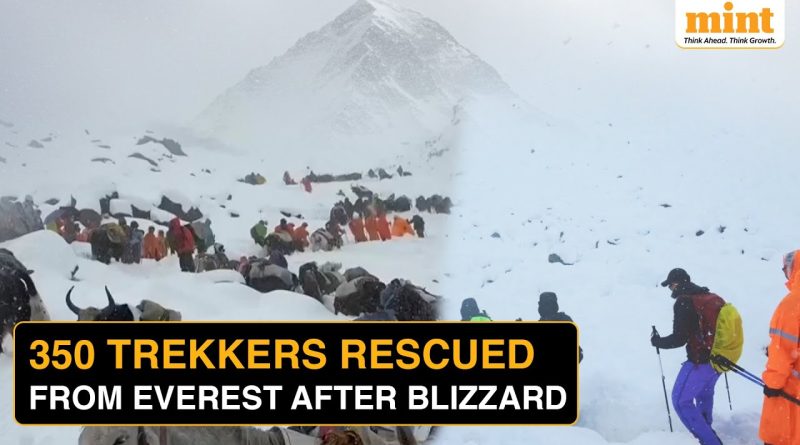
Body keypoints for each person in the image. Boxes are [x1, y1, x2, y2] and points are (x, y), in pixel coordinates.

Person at [651, 268, 722, 445]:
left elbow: (679, 338)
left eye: (670, 286)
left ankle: (710, 441)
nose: (671, 290)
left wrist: (658, 342)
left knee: (680, 400)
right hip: (719, 360)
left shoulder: (684, 301)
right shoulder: (707, 296)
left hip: (701, 361)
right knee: (705, 394)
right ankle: (707, 430)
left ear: (676, 284)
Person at [760, 250, 800, 445]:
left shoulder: (792, 304)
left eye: (786, 269)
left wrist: (772, 384)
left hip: (791, 396)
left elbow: (782, 352)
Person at [538, 292, 583, 362]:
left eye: (548, 304)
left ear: (554, 305)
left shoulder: (564, 320)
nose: (546, 308)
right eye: (543, 305)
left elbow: (578, 355)